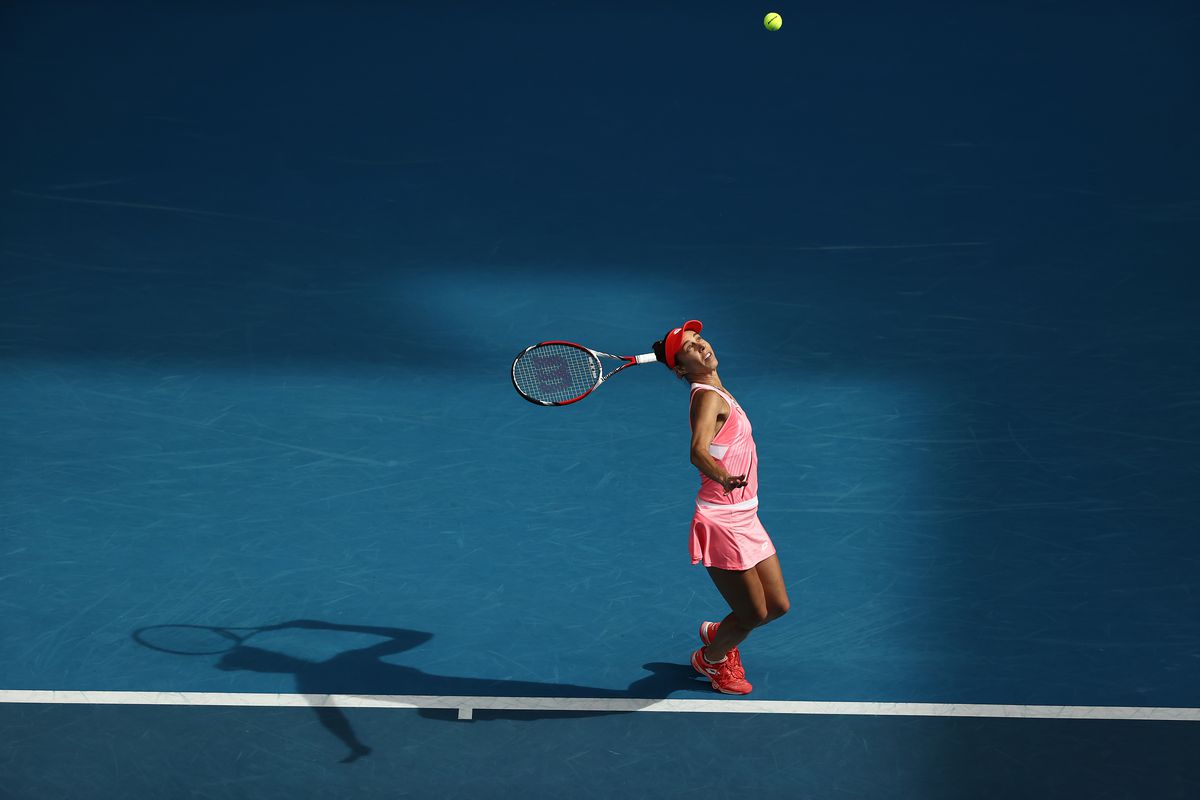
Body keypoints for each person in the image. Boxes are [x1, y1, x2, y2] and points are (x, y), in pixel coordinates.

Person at [652, 320, 790, 695]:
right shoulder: (708, 397)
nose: (701, 347)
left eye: (698, 339)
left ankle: (720, 633)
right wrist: (724, 476)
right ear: (680, 368)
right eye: (689, 349)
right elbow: (698, 451)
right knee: (753, 614)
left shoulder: (716, 389)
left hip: (746, 514)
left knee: (777, 605)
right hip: (722, 521)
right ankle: (712, 659)